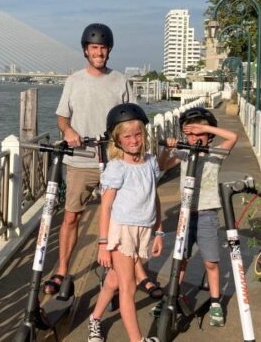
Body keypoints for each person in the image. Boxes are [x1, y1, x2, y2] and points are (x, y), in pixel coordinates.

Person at [49, 23, 159, 297]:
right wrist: (70, 131)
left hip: (115, 160)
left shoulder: (120, 80)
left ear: (109, 51)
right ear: (86, 51)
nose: (99, 53)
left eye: (103, 48)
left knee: (127, 219)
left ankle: (137, 270)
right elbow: (62, 117)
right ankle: (62, 269)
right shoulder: (74, 81)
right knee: (72, 217)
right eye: (94, 48)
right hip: (81, 159)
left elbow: (133, 116)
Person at [88, 103, 164, 342]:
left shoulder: (150, 162)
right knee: (128, 286)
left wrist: (159, 231)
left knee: (113, 280)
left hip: (143, 230)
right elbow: (106, 206)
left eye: (138, 134)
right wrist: (103, 243)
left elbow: (155, 197)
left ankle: (94, 319)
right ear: (117, 140)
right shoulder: (116, 167)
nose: (134, 140)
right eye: (127, 136)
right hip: (122, 231)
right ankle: (137, 339)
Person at [158, 107, 238, 327]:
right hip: (186, 214)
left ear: (209, 135)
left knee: (210, 261)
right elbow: (162, 165)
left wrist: (205, 127)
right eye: (190, 134)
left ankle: (214, 302)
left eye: (199, 133)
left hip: (207, 215)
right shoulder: (184, 154)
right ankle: (171, 297)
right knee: (180, 259)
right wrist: (170, 148)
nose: (194, 138)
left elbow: (233, 137)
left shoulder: (215, 155)